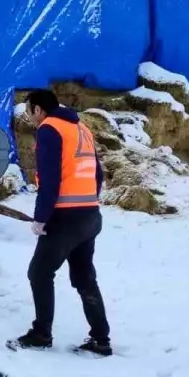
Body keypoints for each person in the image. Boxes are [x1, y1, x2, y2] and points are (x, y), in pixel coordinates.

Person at [13, 90, 112, 355]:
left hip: (65, 217)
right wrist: (89, 201)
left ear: (37, 109)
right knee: (84, 277)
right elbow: (97, 173)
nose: (29, 118)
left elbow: (50, 178)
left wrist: (41, 217)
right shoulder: (81, 128)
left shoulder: (49, 129)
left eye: (28, 112)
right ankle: (101, 339)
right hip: (89, 214)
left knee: (39, 272)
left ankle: (41, 333)